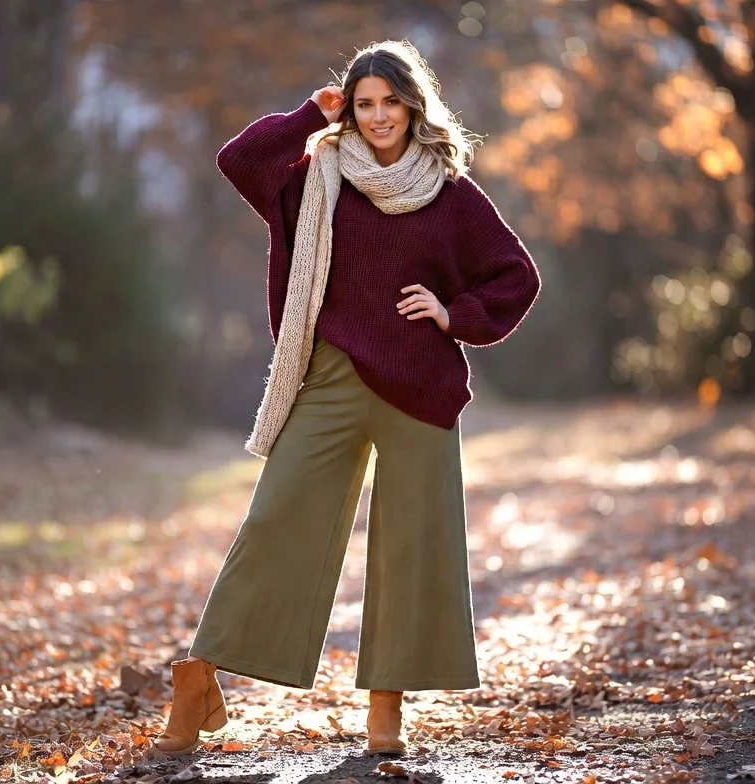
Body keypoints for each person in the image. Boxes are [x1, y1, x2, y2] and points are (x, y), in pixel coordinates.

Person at [155, 39, 540, 758]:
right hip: (331, 377)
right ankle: (198, 678)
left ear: (414, 106)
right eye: (364, 104)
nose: (378, 115)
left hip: (420, 386)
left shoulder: (451, 193)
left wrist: (454, 314)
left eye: (391, 101)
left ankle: (386, 707)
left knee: (413, 546)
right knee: (276, 519)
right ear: (350, 110)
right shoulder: (317, 178)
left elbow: (515, 275)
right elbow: (240, 160)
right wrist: (312, 113)